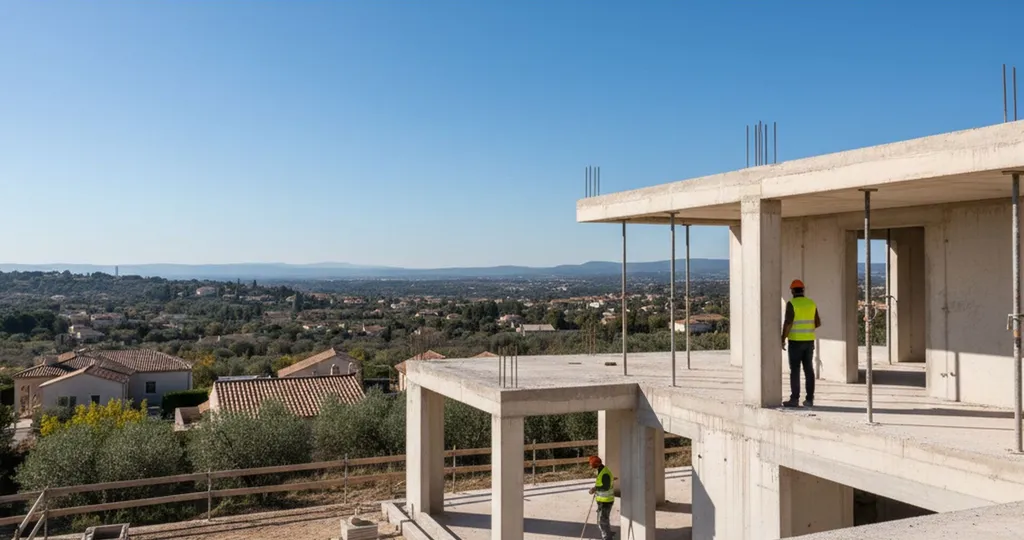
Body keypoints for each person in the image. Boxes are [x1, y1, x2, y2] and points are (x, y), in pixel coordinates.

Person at [781, 279, 821, 408]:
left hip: (795, 342)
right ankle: (809, 399)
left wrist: (782, 339)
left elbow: (788, 323)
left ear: (792, 291)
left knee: (795, 371)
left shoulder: (791, 304)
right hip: (809, 341)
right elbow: (817, 323)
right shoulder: (811, 303)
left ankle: (794, 399)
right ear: (803, 290)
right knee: (809, 370)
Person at [588, 455, 615, 540]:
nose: (590, 465)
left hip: (606, 501)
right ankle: (608, 533)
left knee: (602, 521)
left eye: (591, 464)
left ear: (596, 464)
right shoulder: (601, 470)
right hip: (602, 501)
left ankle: (607, 538)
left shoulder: (605, 473)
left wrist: (595, 489)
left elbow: (606, 487)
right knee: (603, 520)